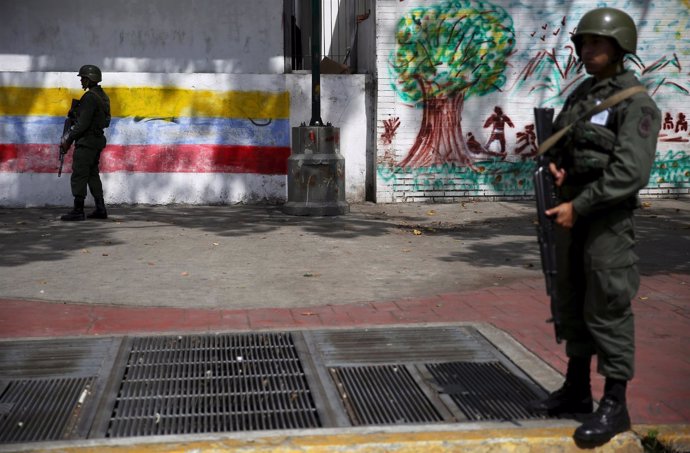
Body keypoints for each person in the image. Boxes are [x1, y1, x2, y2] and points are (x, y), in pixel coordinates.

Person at [530, 7, 661, 445]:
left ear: (620, 47)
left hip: (606, 217)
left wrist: (580, 204)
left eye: (596, 43)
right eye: (583, 43)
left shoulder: (636, 103)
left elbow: (630, 172)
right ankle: (577, 389)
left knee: (607, 305)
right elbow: (567, 139)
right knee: (571, 298)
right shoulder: (585, 93)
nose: (587, 50)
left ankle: (615, 404)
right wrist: (557, 166)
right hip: (573, 210)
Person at [60, 64, 111, 221]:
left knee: (79, 174)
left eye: (83, 78)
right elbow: (106, 121)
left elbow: (82, 125)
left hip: (87, 142)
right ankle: (100, 208)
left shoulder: (89, 97)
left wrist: (68, 139)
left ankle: (78, 210)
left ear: (90, 79)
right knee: (92, 174)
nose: (81, 81)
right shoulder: (103, 96)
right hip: (97, 141)